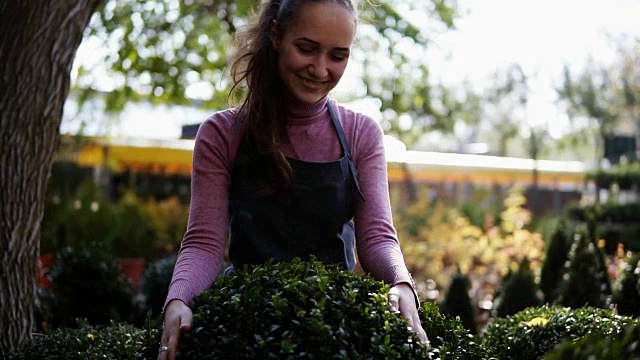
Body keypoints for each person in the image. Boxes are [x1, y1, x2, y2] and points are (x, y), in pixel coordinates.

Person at [158, 0, 429, 358]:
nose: (320, 69)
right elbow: (204, 243)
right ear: (275, 36)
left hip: (335, 329)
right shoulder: (222, 134)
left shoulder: (361, 134)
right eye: (306, 49)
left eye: (338, 56)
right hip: (245, 327)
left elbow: (377, 237)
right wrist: (177, 301)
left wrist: (401, 283)